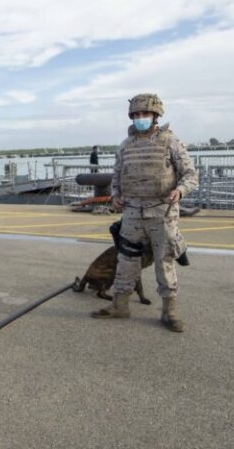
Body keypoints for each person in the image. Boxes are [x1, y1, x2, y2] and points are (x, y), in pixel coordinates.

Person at [92, 94, 198, 332]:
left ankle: (169, 312)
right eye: (137, 115)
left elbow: (190, 175)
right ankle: (120, 305)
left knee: (164, 262)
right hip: (131, 212)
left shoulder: (170, 142)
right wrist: (116, 195)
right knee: (126, 261)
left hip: (162, 213)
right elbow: (117, 176)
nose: (141, 118)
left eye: (145, 114)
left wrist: (180, 191)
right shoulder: (125, 145)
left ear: (156, 116)